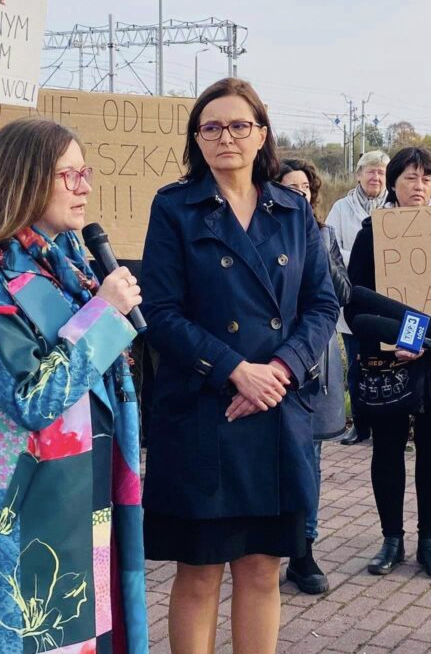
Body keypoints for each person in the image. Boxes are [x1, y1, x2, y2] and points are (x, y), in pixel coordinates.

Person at [0, 117, 148, 653]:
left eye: (85, 173)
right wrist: (104, 315)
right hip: (18, 514)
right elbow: (32, 397)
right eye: (69, 175)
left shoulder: (69, 269)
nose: (85, 187)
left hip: (86, 494)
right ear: (22, 181)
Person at [139, 78, 338, 653]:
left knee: (262, 567)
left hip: (277, 410)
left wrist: (280, 370)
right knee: (200, 571)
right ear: (197, 139)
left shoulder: (293, 209)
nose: (226, 136)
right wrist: (234, 369)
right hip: (205, 410)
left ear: (262, 135)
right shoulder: (174, 207)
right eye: (212, 126)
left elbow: (323, 303)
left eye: (238, 125)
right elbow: (160, 310)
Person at [347, 146, 431, 581]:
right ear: (392, 184)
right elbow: (355, 304)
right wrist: (404, 338)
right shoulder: (371, 233)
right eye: (409, 178)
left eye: (425, 179)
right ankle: (391, 539)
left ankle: (429, 541)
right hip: (391, 363)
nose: (418, 186)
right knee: (386, 448)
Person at [277, 158, 351, 595]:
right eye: (290, 187)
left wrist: (318, 249)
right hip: (273, 365)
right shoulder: (260, 235)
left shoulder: (324, 235)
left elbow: (341, 294)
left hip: (317, 366)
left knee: (311, 461)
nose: (299, 194)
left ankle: (303, 553)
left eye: (305, 188)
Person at [325, 149, 389, 446]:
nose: (376, 177)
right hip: (354, 297)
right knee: (357, 366)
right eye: (371, 171)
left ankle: (388, 426)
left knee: (390, 365)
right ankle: (361, 426)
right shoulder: (340, 207)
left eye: (381, 172)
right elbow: (330, 249)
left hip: (390, 299)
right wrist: (365, 256)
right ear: (359, 175)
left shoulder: (396, 206)